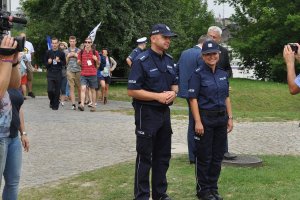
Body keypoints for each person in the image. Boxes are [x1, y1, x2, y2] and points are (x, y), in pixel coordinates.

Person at [128, 23, 178, 200]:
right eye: (165, 37)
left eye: (169, 38)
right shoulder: (141, 61)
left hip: (164, 114)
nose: (168, 41)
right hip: (146, 113)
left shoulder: (169, 60)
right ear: (153, 38)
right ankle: (141, 196)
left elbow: (175, 83)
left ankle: (160, 194)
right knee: (145, 157)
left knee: (163, 156)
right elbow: (132, 90)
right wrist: (156, 97)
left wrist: (174, 92)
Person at [188, 40, 233, 200]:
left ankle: (213, 188)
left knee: (217, 156)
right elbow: (193, 100)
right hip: (205, 118)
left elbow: (226, 96)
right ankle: (203, 190)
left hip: (221, 118)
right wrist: (198, 122)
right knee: (204, 156)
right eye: (208, 54)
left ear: (218, 54)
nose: (211, 56)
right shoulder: (197, 74)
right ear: (203, 56)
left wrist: (230, 117)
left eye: (214, 53)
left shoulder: (222, 73)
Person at [176, 35, 208, 164]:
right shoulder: (201, 55)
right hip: (198, 94)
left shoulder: (185, 53)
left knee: (192, 122)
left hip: (186, 92)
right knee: (199, 122)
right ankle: (198, 154)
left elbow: (177, 69)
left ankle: (192, 155)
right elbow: (203, 74)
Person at [207, 26, 235, 160]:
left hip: (221, 92)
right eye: (210, 36)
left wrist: (224, 81)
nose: (211, 39)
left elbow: (229, 69)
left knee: (223, 120)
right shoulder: (201, 50)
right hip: (206, 92)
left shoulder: (223, 52)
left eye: (214, 37)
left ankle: (224, 151)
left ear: (219, 38)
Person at [0, 35, 21, 189]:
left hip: (11, 134)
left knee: (13, 183)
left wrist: (13, 62)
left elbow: (14, 85)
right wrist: (6, 59)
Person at [2, 88, 29, 200]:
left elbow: (18, 108)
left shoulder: (13, 80)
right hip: (1, 137)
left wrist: (23, 132)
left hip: (14, 138)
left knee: (13, 181)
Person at [77, 37, 100, 112]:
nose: (87, 43)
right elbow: (79, 62)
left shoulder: (95, 52)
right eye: (86, 42)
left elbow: (98, 65)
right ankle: (82, 105)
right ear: (84, 43)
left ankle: (93, 105)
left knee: (92, 90)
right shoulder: (81, 52)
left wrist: (96, 60)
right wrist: (79, 62)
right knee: (83, 88)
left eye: (89, 42)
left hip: (92, 73)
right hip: (83, 73)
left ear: (91, 43)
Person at [44, 37, 66, 110]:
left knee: (57, 90)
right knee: (50, 90)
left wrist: (59, 61)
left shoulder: (61, 53)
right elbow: (45, 64)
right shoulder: (48, 52)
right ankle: (52, 100)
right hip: (50, 73)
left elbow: (64, 63)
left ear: (58, 43)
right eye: (53, 43)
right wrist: (49, 62)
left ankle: (55, 105)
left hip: (58, 73)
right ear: (51, 44)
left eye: (55, 43)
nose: (54, 45)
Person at [65, 36, 81, 110]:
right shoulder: (66, 51)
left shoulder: (79, 51)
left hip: (78, 70)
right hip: (70, 70)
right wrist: (68, 57)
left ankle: (80, 102)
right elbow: (65, 63)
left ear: (76, 42)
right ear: (69, 42)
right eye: (71, 41)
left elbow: (82, 62)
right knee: (71, 87)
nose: (72, 43)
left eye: (73, 41)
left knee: (79, 87)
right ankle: (73, 104)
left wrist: (76, 56)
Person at [20, 33, 35, 98]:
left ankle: (30, 92)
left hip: (28, 62)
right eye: (22, 37)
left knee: (30, 77)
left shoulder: (29, 44)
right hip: (20, 62)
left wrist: (29, 60)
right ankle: (21, 92)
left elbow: (32, 53)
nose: (23, 38)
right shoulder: (17, 43)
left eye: (24, 37)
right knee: (20, 77)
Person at [59, 41, 68, 106]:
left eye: (63, 45)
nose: (61, 46)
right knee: (57, 87)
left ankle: (62, 100)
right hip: (58, 71)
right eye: (60, 45)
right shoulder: (57, 52)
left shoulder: (67, 52)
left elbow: (66, 62)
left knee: (63, 87)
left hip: (65, 70)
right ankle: (58, 99)